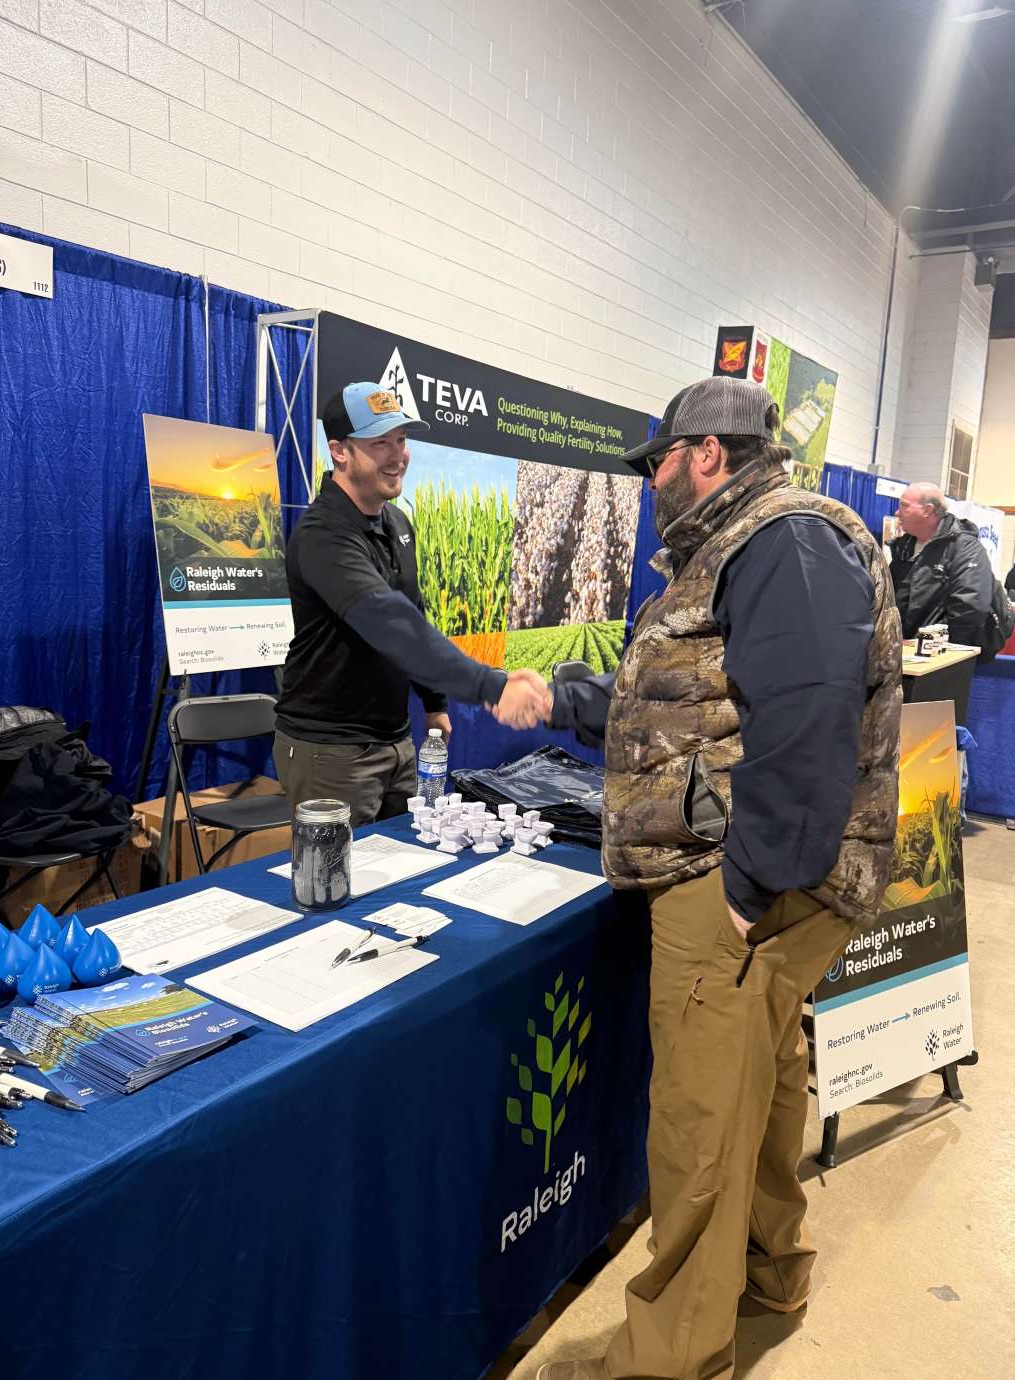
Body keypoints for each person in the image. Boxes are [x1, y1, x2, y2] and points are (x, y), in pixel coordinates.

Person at [495, 376, 902, 1380]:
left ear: (706, 454)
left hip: (743, 884)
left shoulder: (786, 540)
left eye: (658, 461)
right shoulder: (744, 546)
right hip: (761, 880)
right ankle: (771, 1274)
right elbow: (693, 705)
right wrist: (569, 697)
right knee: (758, 1089)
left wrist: (740, 897)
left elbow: (804, 735)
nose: (651, 483)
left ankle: (669, 1357)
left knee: (698, 1119)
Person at [273, 381, 547, 823]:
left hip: (395, 742)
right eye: (379, 443)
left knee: (399, 871)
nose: (397, 454)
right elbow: (390, 622)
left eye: (401, 440)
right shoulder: (322, 535)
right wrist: (492, 687)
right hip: (332, 752)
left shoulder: (396, 522)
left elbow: (414, 612)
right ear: (340, 452)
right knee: (336, 881)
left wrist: (434, 705)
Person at [889, 483, 994, 648]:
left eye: (904, 506)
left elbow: (969, 608)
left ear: (927, 510)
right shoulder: (903, 547)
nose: (897, 512)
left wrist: (935, 649)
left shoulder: (964, 548)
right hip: (904, 652)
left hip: (938, 658)